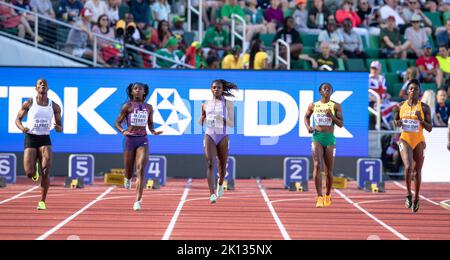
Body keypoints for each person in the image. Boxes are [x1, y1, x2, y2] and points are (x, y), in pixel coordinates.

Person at [15, 79, 63, 210]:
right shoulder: (29, 103)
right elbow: (17, 119)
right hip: (31, 137)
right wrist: (22, 128)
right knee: (29, 173)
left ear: (48, 88)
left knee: (46, 170)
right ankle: (34, 169)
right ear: (36, 88)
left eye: (44, 84)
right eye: (39, 84)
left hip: (44, 139)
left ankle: (42, 201)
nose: (42, 85)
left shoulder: (54, 106)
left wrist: (59, 128)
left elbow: (60, 126)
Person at [114, 82, 162, 211]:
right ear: (131, 92)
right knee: (129, 170)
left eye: (140, 89)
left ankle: (138, 200)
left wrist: (153, 131)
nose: (138, 91)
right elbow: (117, 123)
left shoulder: (149, 107)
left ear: (144, 92)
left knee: (140, 169)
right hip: (130, 140)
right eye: (135, 89)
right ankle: (128, 178)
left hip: (143, 140)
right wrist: (123, 131)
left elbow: (150, 124)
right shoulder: (127, 106)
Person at [394, 79, 433, 213]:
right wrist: (397, 123)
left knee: (417, 171)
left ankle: (416, 198)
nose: (413, 91)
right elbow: (396, 120)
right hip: (405, 139)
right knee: (408, 166)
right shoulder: (400, 106)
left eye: (416, 89)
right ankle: (408, 194)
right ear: (407, 91)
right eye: (411, 89)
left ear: (419, 92)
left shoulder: (424, 107)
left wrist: (421, 119)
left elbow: (430, 128)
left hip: (419, 141)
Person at [304, 83, 344, 208]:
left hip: (330, 139)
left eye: (329, 89)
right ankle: (319, 197)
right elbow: (306, 116)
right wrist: (308, 127)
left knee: (328, 171)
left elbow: (341, 124)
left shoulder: (335, 106)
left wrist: (332, 116)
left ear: (331, 91)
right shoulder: (313, 105)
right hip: (317, 137)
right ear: (320, 91)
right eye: (324, 88)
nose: (327, 90)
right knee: (317, 165)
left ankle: (327, 195)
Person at [200, 80, 236, 203]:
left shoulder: (228, 103)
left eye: (219, 88)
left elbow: (232, 123)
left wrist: (221, 118)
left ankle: (220, 183)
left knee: (222, 168)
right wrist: (203, 120)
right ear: (211, 89)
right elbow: (201, 121)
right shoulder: (205, 104)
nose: (216, 90)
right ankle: (212, 193)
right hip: (210, 135)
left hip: (222, 137)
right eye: (214, 88)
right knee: (210, 163)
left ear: (222, 89)